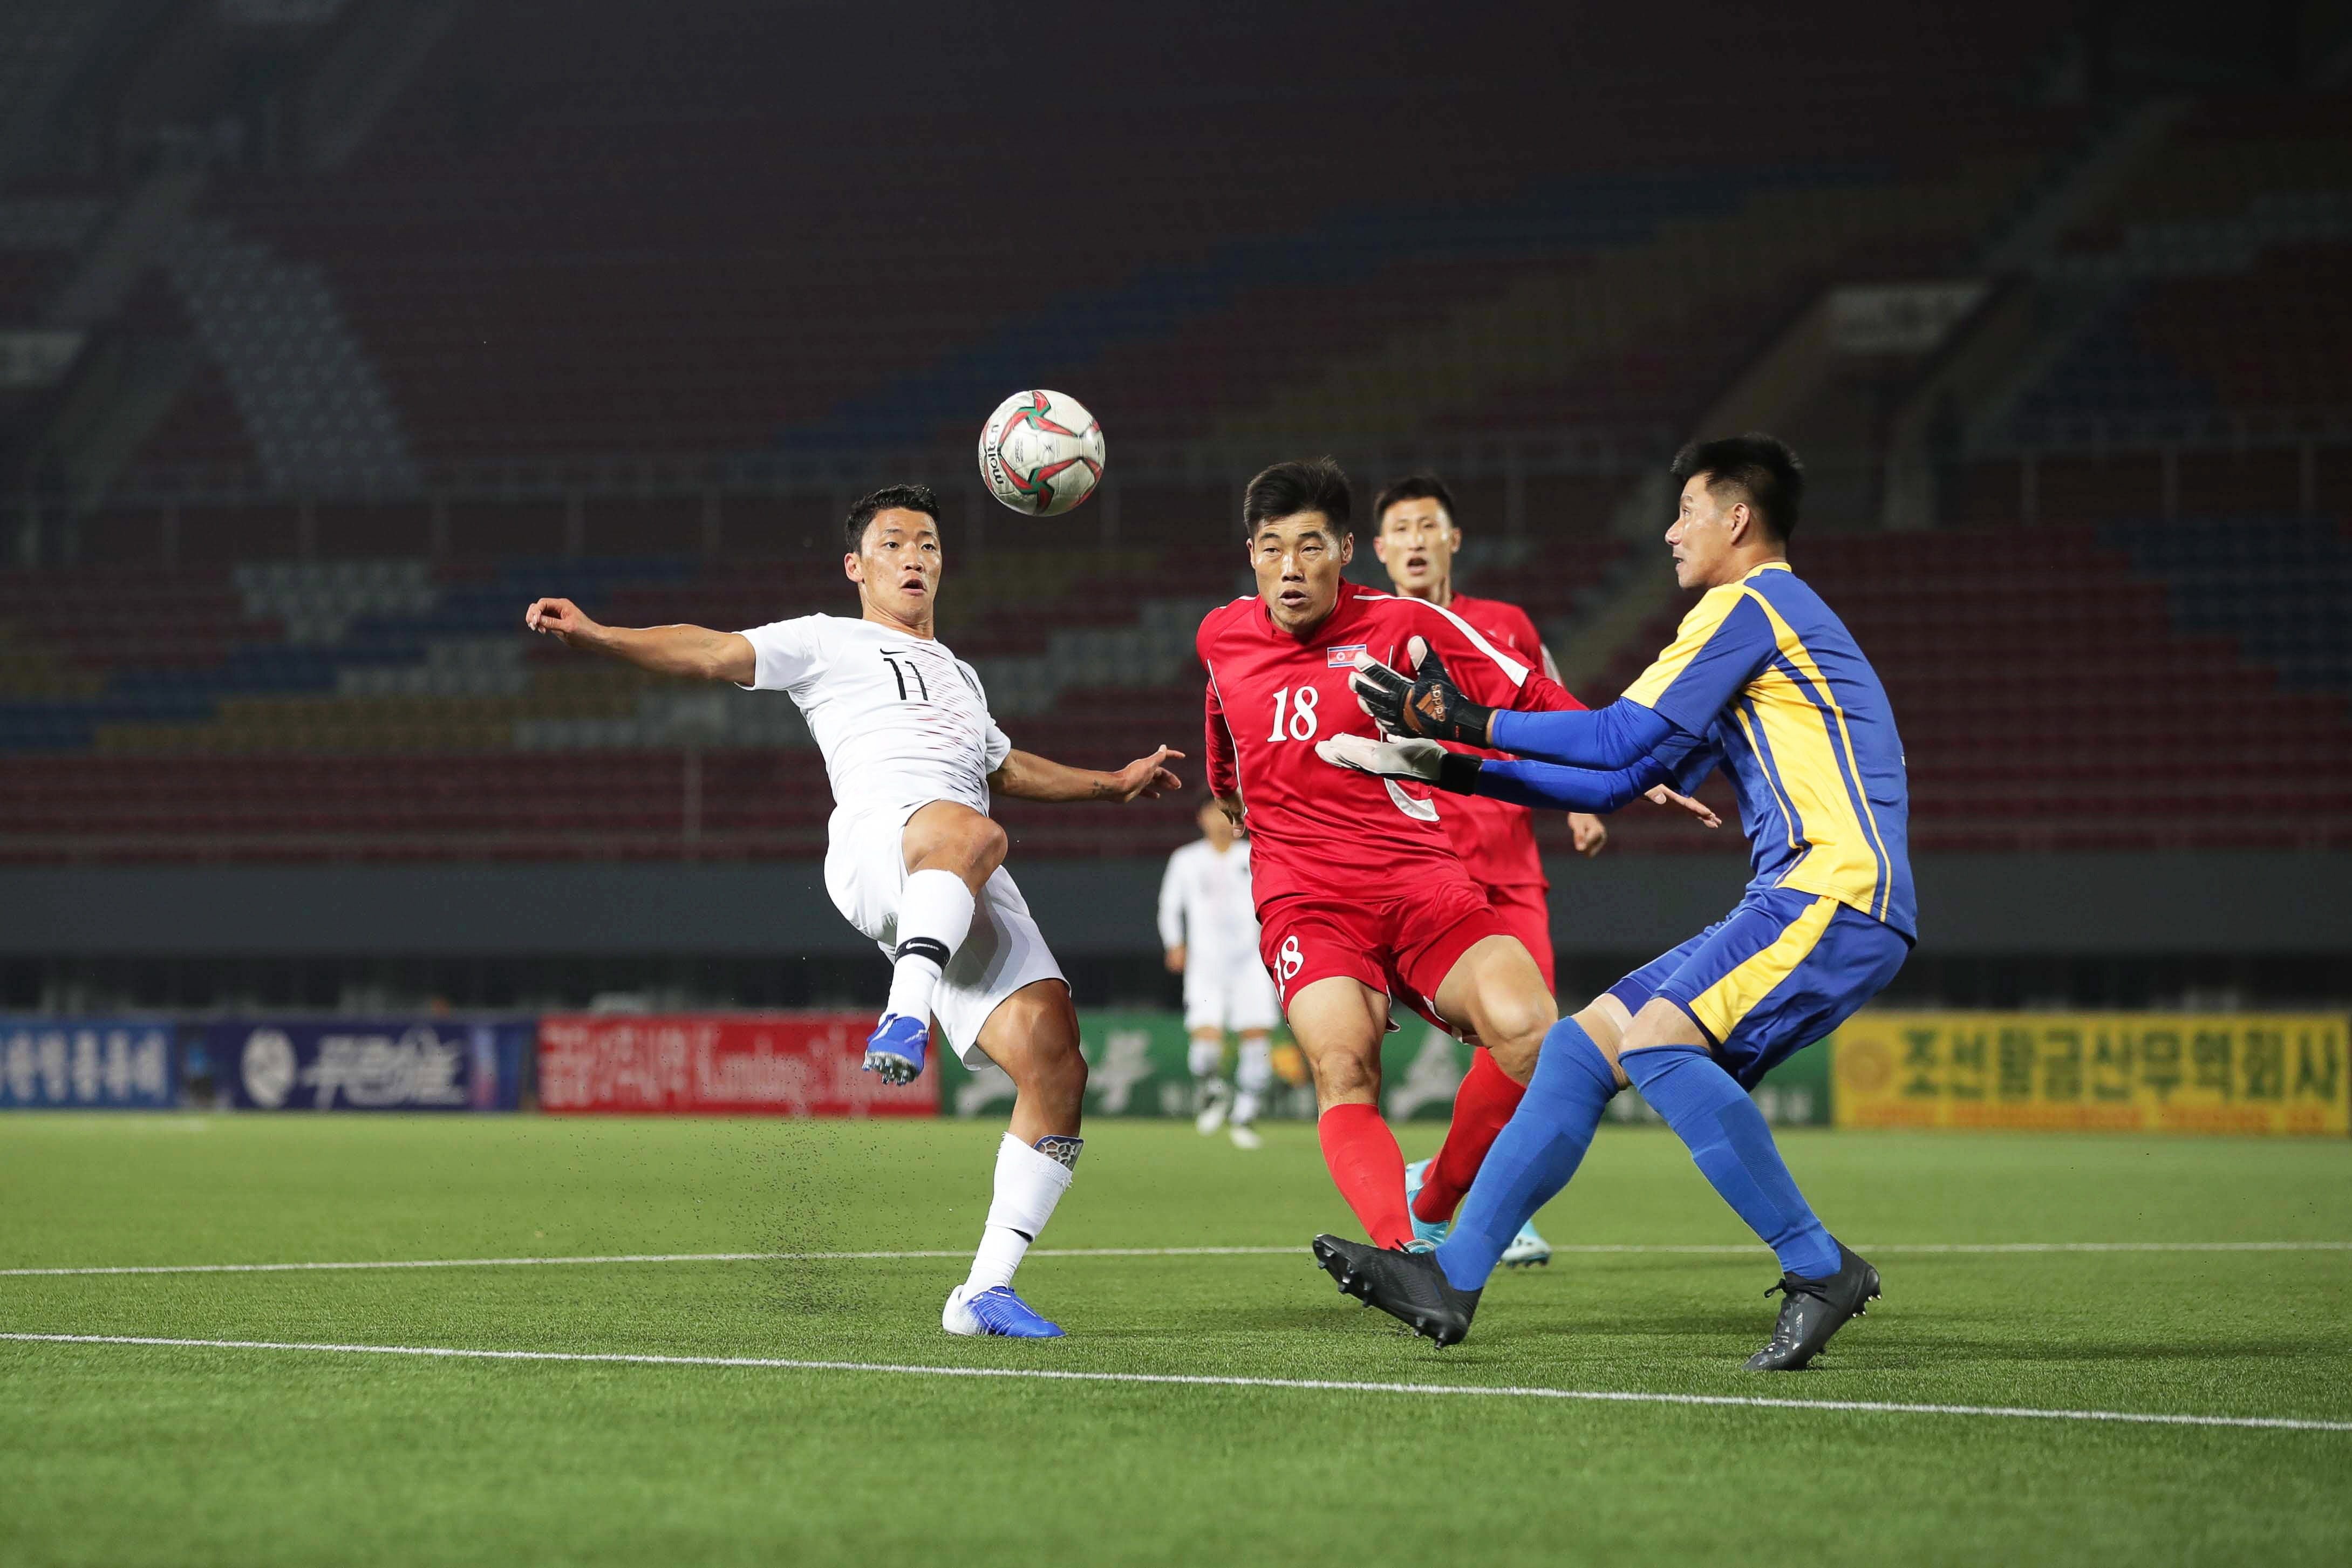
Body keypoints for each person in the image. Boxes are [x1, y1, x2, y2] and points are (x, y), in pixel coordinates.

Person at [524, 483, 1181, 1341]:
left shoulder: (960, 673)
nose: (915, 558)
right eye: (895, 543)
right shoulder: (825, 640)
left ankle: (982, 1291)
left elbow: (1001, 764)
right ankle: (903, 1015)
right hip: (879, 845)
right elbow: (714, 652)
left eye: (930, 546)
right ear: (855, 566)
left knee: (1057, 1064)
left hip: (960, 859)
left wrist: (1110, 783)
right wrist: (600, 633)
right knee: (972, 829)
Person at [1312, 434, 1913, 1370]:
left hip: (1831, 889)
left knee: (1654, 1043)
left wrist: (1459, 719)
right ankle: (1452, 1274)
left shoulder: (1749, 605)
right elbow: (1614, 779)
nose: (1670, 532)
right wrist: (1447, 764)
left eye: (1684, 511)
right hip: (1794, 893)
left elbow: (1613, 735)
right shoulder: (1752, 623)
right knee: (1578, 1045)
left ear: (1736, 519)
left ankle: (1816, 1263)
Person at [1196, 458, 1712, 1257]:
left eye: (1308, 546)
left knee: (1531, 1028)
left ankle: (1434, 1199)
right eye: (1269, 548)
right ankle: (1403, 1254)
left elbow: (1531, 694)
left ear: (1343, 549)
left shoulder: (1406, 625)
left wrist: (1630, 767)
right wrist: (1233, 797)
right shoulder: (1219, 636)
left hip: (1417, 882)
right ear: (1250, 553)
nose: (1289, 569)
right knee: (1343, 1064)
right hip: (1306, 898)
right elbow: (1225, 741)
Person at [1371, 473, 1611, 1266]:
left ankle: (1446, 1194)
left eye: (1425, 525)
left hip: (1510, 860)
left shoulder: (1504, 624)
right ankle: (1464, 1204)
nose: (1411, 539)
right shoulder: (1368, 632)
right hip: (1422, 863)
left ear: (1452, 539)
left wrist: (1582, 798)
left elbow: (1550, 710)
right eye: (1397, 528)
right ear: (1376, 550)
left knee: (1532, 1044)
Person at [1157, 795, 1280, 1150]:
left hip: (1250, 962)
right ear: (1201, 817)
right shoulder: (1186, 859)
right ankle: (1213, 1091)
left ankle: (1245, 1114)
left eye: (1229, 814)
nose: (1222, 820)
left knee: (1256, 1037)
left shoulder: (1255, 856)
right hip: (1205, 963)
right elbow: (1169, 905)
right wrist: (1174, 943)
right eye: (1215, 812)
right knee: (1205, 1047)